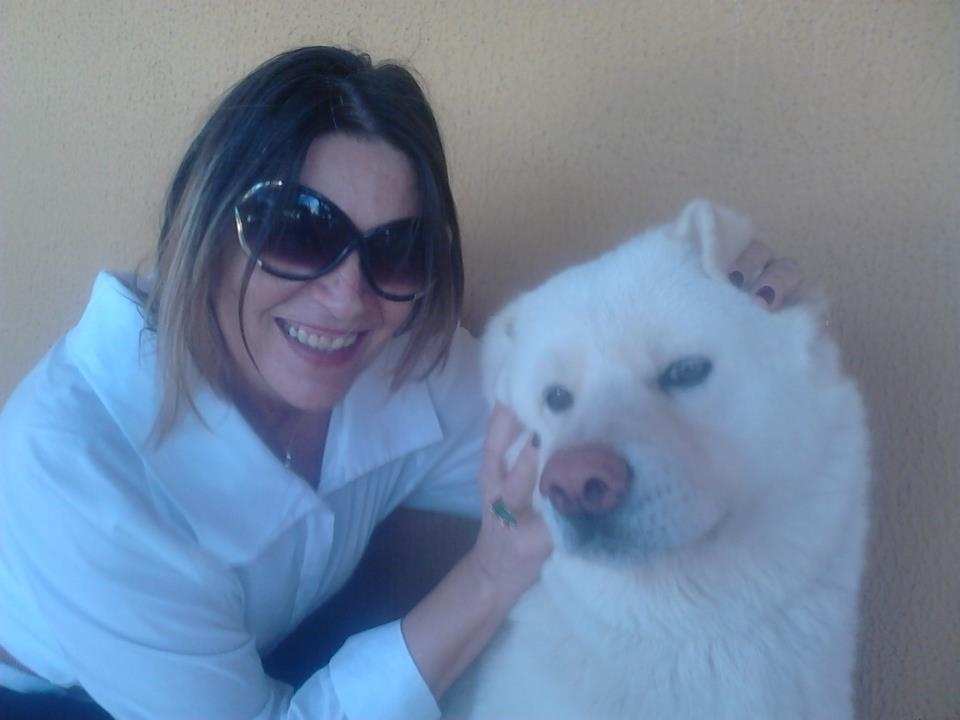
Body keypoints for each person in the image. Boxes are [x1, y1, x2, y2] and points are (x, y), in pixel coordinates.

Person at [0, 46, 802, 720]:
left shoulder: (398, 352)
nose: (348, 297)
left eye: (398, 250)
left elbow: (568, 440)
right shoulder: (73, 465)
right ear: (205, 225)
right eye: (297, 229)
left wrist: (697, 356)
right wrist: (490, 576)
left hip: (277, 649)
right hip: (59, 695)